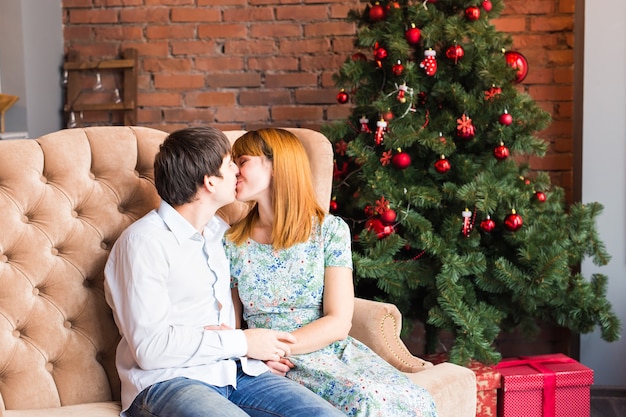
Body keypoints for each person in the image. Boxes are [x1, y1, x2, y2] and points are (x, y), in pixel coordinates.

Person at [104, 126, 344, 417]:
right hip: (168, 381)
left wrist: (255, 350)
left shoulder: (221, 236)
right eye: (231, 164)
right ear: (210, 183)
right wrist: (244, 342)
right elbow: (151, 348)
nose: (237, 172)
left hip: (233, 372)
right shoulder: (144, 243)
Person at [224, 128, 439, 417]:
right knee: (362, 401)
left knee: (412, 398)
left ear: (276, 166)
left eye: (243, 160)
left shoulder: (329, 231)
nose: (233, 169)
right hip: (273, 364)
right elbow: (232, 325)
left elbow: (339, 321)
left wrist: (277, 349)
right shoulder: (232, 242)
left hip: (323, 349)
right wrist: (254, 356)